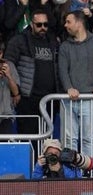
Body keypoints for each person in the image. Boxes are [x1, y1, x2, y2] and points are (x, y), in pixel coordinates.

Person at [58, 10, 93, 159]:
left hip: (91, 99)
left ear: (79, 23)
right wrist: (69, 87)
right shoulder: (64, 46)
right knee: (69, 141)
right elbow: (63, 70)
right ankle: (71, 174)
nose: (65, 25)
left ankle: (86, 176)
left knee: (88, 139)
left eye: (68, 22)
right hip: (69, 100)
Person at [4, 9, 59, 142]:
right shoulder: (19, 41)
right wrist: (15, 92)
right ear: (31, 24)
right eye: (39, 25)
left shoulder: (52, 41)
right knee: (28, 138)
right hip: (27, 99)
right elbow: (8, 65)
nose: (43, 28)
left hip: (50, 99)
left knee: (47, 139)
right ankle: (31, 163)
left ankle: (43, 163)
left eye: (45, 25)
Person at [0, 41, 20, 135]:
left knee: (4, 146)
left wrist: (8, 75)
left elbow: (16, 93)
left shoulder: (9, 65)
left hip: (6, 115)